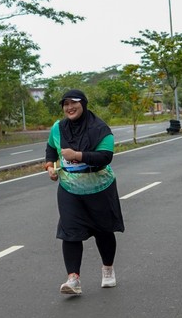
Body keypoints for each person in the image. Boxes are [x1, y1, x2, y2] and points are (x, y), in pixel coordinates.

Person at [44, 89, 124, 295]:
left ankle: (108, 269)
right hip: (69, 188)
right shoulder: (58, 128)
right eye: (66, 104)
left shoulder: (100, 129)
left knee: (103, 231)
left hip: (99, 187)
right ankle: (73, 279)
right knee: (70, 232)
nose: (69, 107)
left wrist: (77, 155)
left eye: (74, 103)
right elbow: (51, 149)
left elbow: (105, 156)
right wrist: (50, 166)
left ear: (84, 104)